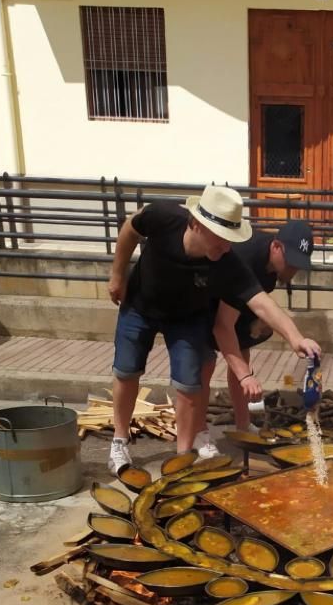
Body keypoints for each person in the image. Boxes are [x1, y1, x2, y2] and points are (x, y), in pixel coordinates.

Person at [107, 185, 320, 473]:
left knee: (188, 385)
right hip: (140, 305)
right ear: (197, 225)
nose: (228, 246)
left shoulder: (227, 261)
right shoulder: (163, 216)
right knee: (127, 371)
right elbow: (130, 228)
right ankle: (119, 441)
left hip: (186, 317)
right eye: (223, 238)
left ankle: (181, 458)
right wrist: (117, 274)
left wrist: (296, 337)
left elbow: (261, 303)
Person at [200, 221, 314, 433]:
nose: (293, 269)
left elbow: (261, 304)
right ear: (276, 246)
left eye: (298, 265)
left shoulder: (273, 267)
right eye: (291, 263)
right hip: (202, 297)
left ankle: (243, 425)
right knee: (204, 364)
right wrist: (245, 376)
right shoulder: (247, 257)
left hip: (230, 301)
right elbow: (223, 325)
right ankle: (199, 433)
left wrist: (295, 338)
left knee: (242, 356)